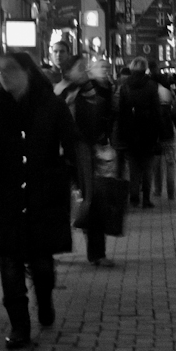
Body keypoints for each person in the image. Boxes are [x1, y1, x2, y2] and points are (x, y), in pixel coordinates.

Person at [0, 53, 78, 350]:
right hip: (4, 193)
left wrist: (82, 183)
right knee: (10, 260)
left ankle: (44, 300)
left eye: (9, 70)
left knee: (42, 264)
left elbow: (72, 144)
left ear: (27, 72)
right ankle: (19, 325)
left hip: (43, 191)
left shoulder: (52, 106)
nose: (3, 76)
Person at [58, 54, 116, 266]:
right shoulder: (62, 91)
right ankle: (52, 249)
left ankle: (97, 253)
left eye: (85, 67)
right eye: (79, 67)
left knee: (94, 202)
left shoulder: (93, 90)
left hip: (86, 155)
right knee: (59, 204)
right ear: (68, 71)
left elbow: (102, 117)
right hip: (65, 155)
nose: (83, 70)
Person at [114, 57, 161, 209]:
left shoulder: (125, 86)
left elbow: (121, 111)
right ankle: (146, 199)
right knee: (147, 167)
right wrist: (157, 132)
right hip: (148, 130)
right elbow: (156, 111)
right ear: (145, 69)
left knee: (133, 166)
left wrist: (121, 133)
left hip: (130, 129)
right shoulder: (152, 85)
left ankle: (134, 197)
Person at [154, 74, 176, 203]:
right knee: (170, 164)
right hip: (168, 133)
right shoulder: (170, 93)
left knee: (157, 164)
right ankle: (171, 192)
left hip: (157, 134)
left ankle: (157, 190)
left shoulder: (153, 92)